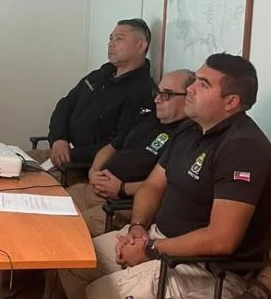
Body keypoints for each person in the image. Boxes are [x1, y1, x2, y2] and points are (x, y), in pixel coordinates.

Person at [58, 54, 271, 299]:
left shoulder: (243, 148)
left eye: (203, 84)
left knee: (100, 293)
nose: (191, 89)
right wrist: (137, 228)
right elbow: (153, 186)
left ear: (231, 102)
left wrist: (151, 249)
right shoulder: (189, 129)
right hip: (156, 238)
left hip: (203, 268)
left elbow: (221, 239)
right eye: (195, 80)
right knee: (69, 259)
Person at [66, 69, 194, 236]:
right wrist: (94, 171)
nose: (157, 99)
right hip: (92, 188)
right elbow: (111, 147)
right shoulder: (148, 118)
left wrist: (122, 188)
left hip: (121, 206)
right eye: (158, 92)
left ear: (189, 98)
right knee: (43, 210)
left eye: (166, 95)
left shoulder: (186, 136)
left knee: (65, 230)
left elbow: (165, 186)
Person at [47, 18, 156, 168]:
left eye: (119, 39)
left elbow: (119, 143)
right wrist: (59, 139)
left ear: (141, 46)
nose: (111, 44)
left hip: (87, 166)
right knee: (15, 162)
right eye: (111, 38)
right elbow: (65, 105)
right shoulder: (99, 76)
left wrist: (71, 154)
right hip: (61, 150)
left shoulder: (141, 92)